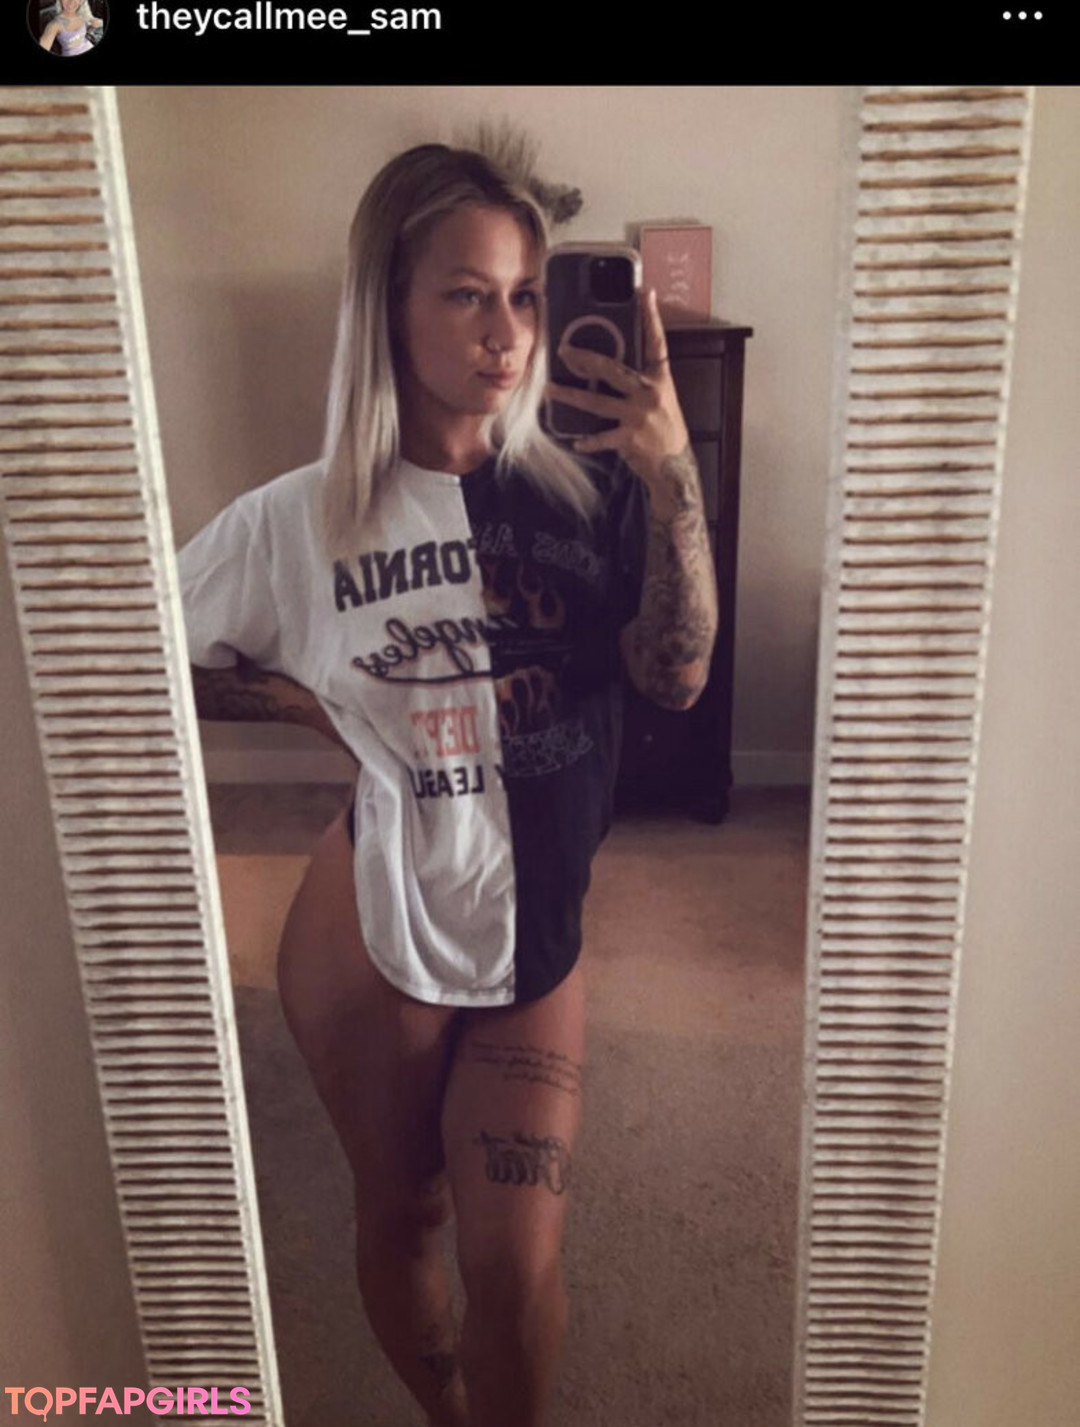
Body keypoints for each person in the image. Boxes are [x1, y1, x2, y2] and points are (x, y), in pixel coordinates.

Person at [178, 136, 718, 1427]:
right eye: (469, 294)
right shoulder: (296, 519)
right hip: (377, 912)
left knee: (514, 1266)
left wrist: (674, 475)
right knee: (405, 1207)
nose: (508, 333)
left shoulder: (592, 494)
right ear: (389, 307)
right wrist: (311, 707)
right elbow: (142, 655)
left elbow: (676, 673)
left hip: (537, 919)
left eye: (525, 295)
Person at [38, 0, 103, 54]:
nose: (71, 2)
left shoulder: (82, 15)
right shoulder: (54, 25)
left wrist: (93, 25)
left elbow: (84, 30)